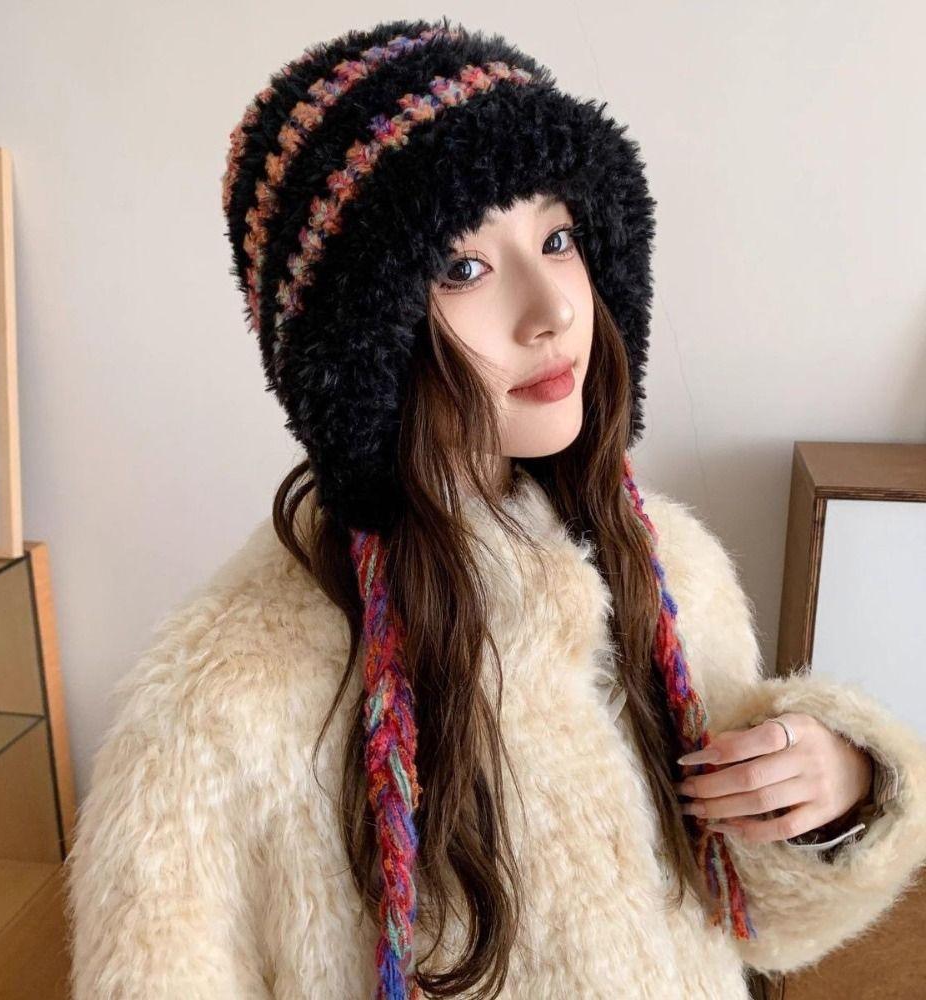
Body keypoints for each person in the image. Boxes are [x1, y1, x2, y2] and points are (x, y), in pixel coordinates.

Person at [65, 17, 926, 1000]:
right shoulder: (223, 704)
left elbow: (754, 918)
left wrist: (839, 791)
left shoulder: (667, 570)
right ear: (361, 338)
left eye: (556, 238)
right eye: (463, 267)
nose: (552, 309)